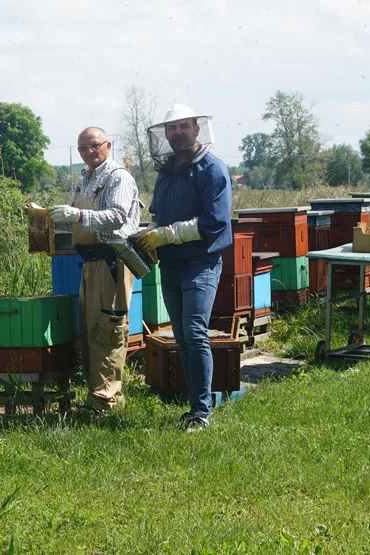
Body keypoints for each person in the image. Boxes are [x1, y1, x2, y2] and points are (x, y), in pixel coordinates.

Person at [135, 104, 232, 432]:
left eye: (183, 127)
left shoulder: (213, 169)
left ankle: (202, 412)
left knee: (194, 333)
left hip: (201, 263)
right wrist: (147, 232)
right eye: (171, 128)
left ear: (197, 129)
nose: (177, 133)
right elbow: (159, 214)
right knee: (183, 337)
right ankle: (195, 407)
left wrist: (165, 234)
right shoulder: (167, 171)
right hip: (172, 266)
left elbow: (214, 222)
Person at [47, 127, 142, 413]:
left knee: (108, 330)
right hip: (90, 263)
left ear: (108, 146)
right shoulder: (85, 179)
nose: (89, 152)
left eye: (94, 146)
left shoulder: (118, 177)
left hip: (113, 261)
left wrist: (77, 214)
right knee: (90, 332)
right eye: (83, 148)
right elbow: (79, 220)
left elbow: (117, 217)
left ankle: (106, 401)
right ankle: (97, 396)